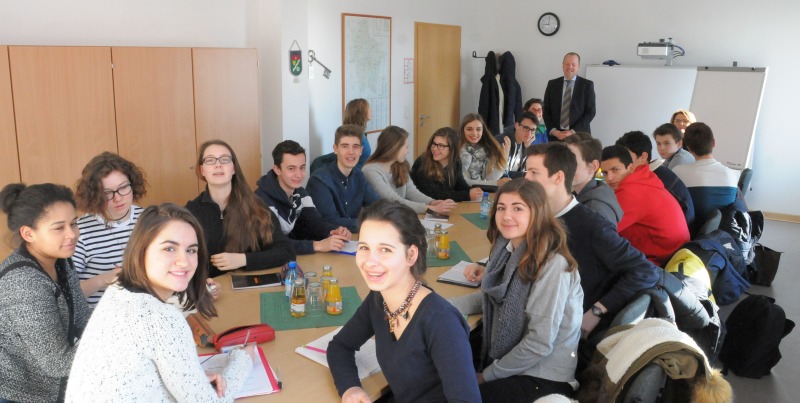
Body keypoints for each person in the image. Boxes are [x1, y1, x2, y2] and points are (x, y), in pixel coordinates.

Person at [65, 204, 255, 402]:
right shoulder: (159, 318)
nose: (184, 261)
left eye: (191, 250)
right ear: (142, 251)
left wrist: (192, 382)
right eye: (169, 248)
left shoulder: (118, 292)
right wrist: (243, 360)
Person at [328, 200, 480, 403]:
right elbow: (340, 346)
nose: (370, 261)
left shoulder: (441, 322)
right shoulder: (379, 299)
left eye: (385, 250)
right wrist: (350, 388)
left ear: (411, 255)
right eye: (364, 247)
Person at [521, 143, 659, 368]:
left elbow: (645, 270)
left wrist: (598, 309)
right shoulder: (546, 214)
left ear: (557, 178)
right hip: (544, 313)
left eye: (533, 172)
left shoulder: (591, 224)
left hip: (562, 337)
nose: (526, 178)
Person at [452, 179, 582, 402]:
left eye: (518, 208)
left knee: (458, 396)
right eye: (501, 208)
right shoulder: (507, 248)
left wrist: (486, 376)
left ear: (537, 213)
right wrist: (436, 305)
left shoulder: (553, 265)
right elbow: (488, 296)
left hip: (544, 376)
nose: (506, 216)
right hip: (513, 363)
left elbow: (539, 343)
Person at [0, 183, 93, 402]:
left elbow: (82, 318)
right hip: (17, 395)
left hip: (50, 391)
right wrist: (118, 347)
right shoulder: (23, 282)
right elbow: (57, 363)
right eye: (59, 228)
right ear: (28, 233)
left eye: (74, 223)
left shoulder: (62, 261)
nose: (72, 234)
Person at [186, 140, 294, 277]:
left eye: (224, 159)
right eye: (210, 160)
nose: (218, 165)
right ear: (202, 170)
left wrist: (243, 259)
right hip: (208, 293)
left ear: (234, 168)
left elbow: (286, 251)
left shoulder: (256, 207)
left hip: (248, 290)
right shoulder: (190, 213)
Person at [73, 152, 146, 304]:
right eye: (107, 193)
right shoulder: (80, 231)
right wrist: (103, 280)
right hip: (101, 319)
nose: (118, 198)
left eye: (123, 187)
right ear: (94, 195)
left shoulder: (149, 219)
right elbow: (67, 295)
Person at [255, 140, 352, 255]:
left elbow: (315, 223)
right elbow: (274, 243)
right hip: (265, 261)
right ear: (277, 170)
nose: (299, 175)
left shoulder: (301, 193)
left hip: (288, 258)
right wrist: (317, 245)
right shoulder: (262, 200)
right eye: (291, 169)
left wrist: (334, 231)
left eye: (302, 167)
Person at [600, 145, 690, 266]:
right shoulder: (643, 180)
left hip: (662, 263)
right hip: (675, 254)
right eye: (605, 173)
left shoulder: (631, 192)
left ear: (631, 168)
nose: (609, 178)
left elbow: (600, 231)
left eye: (615, 170)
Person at [363, 126, 457, 215]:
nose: (408, 151)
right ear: (394, 148)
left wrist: (432, 202)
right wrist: (430, 208)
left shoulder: (400, 165)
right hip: (381, 220)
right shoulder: (370, 170)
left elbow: (411, 191)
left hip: (400, 214)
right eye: (406, 147)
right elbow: (393, 200)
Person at [616, 130, 696, 232]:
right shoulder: (658, 171)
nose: (622, 163)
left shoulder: (650, 179)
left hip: (677, 237)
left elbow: (611, 224)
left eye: (626, 157)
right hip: (681, 234)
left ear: (643, 156)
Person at [307, 124, 381, 233]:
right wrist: (371, 223)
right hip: (325, 242)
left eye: (355, 146)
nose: (351, 152)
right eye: (345, 146)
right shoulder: (319, 180)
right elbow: (331, 221)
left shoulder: (359, 176)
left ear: (361, 150)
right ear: (335, 149)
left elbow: (378, 205)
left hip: (351, 239)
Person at [672, 122, 741, 225]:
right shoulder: (732, 174)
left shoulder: (678, 172)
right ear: (714, 143)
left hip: (692, 234)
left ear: (689, 148)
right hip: (725, 234)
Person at [563, 136, 623, 227]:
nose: (564, 168)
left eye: (572, 162)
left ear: (593, 167)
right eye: (563, 161)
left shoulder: (595, 209)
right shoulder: (588, 193)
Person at [411, 127, 483, 202]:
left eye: (441, 145)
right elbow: (434, 194)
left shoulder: (456, 161)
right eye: (434, 144)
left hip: (442, 205)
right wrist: (467, 195)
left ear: (452, 148)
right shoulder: (422, 162)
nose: (435, 148)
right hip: (424, 206)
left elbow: (460, 184)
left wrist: (473, 192)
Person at [543, 52, 596, 140]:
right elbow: (546, 110)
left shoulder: (587, 85)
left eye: (573, 64)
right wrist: (553, 131)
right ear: (562, 65)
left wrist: (572, 132)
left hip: (579, 136)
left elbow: (590, 112)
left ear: (578, 67)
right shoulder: (552, 84)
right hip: (556, 137)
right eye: (567, 64)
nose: (570, 67)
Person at [459, 113, 508, 188]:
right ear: (463, 130)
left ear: (483, 131)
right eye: (469, 129)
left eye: (478, 129)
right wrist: (496, 183)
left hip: (480, 193)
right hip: (463, 195)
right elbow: (464, 181)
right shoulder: (459, 151)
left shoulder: (485, 151)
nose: (474, 133)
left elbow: (490, 178)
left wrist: (504, 157)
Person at [495, 111, 540, 181]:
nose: (529, 134)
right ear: (517, 125)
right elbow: (501, 174)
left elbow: (527, 169)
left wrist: (527, 149)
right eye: (526, 128)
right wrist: (525, 175)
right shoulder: (502, 141)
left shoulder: (525, 143)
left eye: (532, 130)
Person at [343, 98, 373, 169]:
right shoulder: (352, 135)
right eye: (368, 108)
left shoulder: (360, 133)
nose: (371, 110)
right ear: (360, 113)